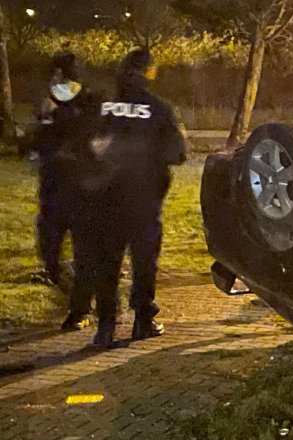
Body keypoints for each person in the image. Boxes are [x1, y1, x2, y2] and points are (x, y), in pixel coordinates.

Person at [83, 49, 187, 347]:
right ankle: (143, 320)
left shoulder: (101, 106)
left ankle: (105, 326)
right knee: (144, 262)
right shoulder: (160, 109)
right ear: (149, 73)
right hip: (143, 200)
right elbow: (178, 153)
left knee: (106, 263)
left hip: (104, 199)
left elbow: (83, 146)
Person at [31, 53, 104, 332]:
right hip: (52, 194)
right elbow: (37, 143)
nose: (58, 81)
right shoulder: (48, 107)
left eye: (63, 76)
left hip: (84, 192)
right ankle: (76, 292)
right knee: (50, 254)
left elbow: (90, 138)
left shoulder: (91, 104)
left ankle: (80, 310)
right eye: (55, 76)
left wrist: (57, 116)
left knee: (85, 254)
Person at [30, 53, 82, 290]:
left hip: (56, 176)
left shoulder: (52, 101)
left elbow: (40, 138)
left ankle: (54, 271)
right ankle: (78, 275)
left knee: (51, 227)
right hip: (81, 177)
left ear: (58, 73)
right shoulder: (87, 97)